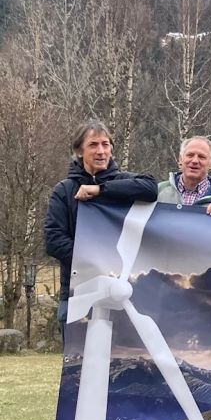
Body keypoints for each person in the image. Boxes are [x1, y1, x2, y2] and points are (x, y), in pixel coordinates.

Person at [44, 121, 159, 338]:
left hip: (124, 295)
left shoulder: (126, 182)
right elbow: (54, 241)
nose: (101, 151)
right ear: (79, 151)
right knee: (76, 358)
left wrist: (100, 190)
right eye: (93, 145)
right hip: (76, 294)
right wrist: (97, 261)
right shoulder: (64, 191)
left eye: (105, 145)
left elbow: (151, 188)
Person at [157, 136, 211, 215]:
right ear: (180, 159)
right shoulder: (159, 190)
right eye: (190, 155)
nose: (195, 161)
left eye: (201, 157)